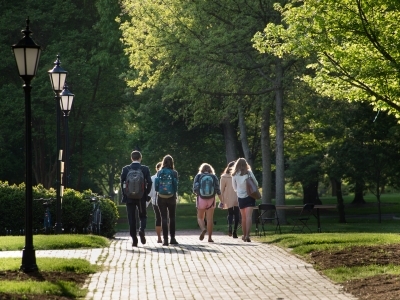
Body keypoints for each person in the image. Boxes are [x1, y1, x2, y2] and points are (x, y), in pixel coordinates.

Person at [120, 150, 152, 247]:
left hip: (129, 197)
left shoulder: (126, 169)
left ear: (131, 158)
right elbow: (150, 182)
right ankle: (141, 230)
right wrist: (146, 194)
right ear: (140, 158)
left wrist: (125, 194)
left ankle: (134, 239)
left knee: (131, 218)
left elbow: (122, 183)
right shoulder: (145, 169)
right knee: (143, 216)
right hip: (141, 197)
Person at [193, 163, 221, 243]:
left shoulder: (198, 176)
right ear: (210, 170)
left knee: (200, 217)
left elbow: (194, 189)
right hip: (211, 199)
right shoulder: (214, 177)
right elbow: (218, 190)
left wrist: (199, 193)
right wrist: (222, 201)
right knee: (209, 219)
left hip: (201, 199)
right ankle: (210, 238)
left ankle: (203, 229)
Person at [232, 158, 258, 242]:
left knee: (243, 217)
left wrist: (240, 190)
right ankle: (247, 235)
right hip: (250, 196)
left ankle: (243, 235)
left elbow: (234, 187)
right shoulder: (249, 173)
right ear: (246, 164)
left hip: (240, 197)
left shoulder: (235, 174)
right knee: (249, 216)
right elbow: (256, 183)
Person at [157, 154, 179, 246]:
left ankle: (165, 239)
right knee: (172, 218)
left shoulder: (159, 172)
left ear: (163, 162)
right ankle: (172, 238)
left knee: (164, 218)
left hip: (161, 196)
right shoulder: (174, 173)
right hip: (171, 197)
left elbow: (156, 186)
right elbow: (176, 186)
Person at [220, 161, 240, 238]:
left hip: (228, 197)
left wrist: (221, 199)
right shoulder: (238, 175)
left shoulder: (224, 176)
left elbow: (221, 189)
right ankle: (235, 231)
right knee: (237, 214)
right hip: (237, 195)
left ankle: (230, 227)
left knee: (230, 213)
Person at [149, 162, 162, 243]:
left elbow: (150, 192)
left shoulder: (152, 178)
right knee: (165, 218)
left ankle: (159, 238)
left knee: (158, 218)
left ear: (156, 168)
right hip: (166, 200)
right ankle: (166, 236)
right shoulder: (167, 176)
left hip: (155, 201)